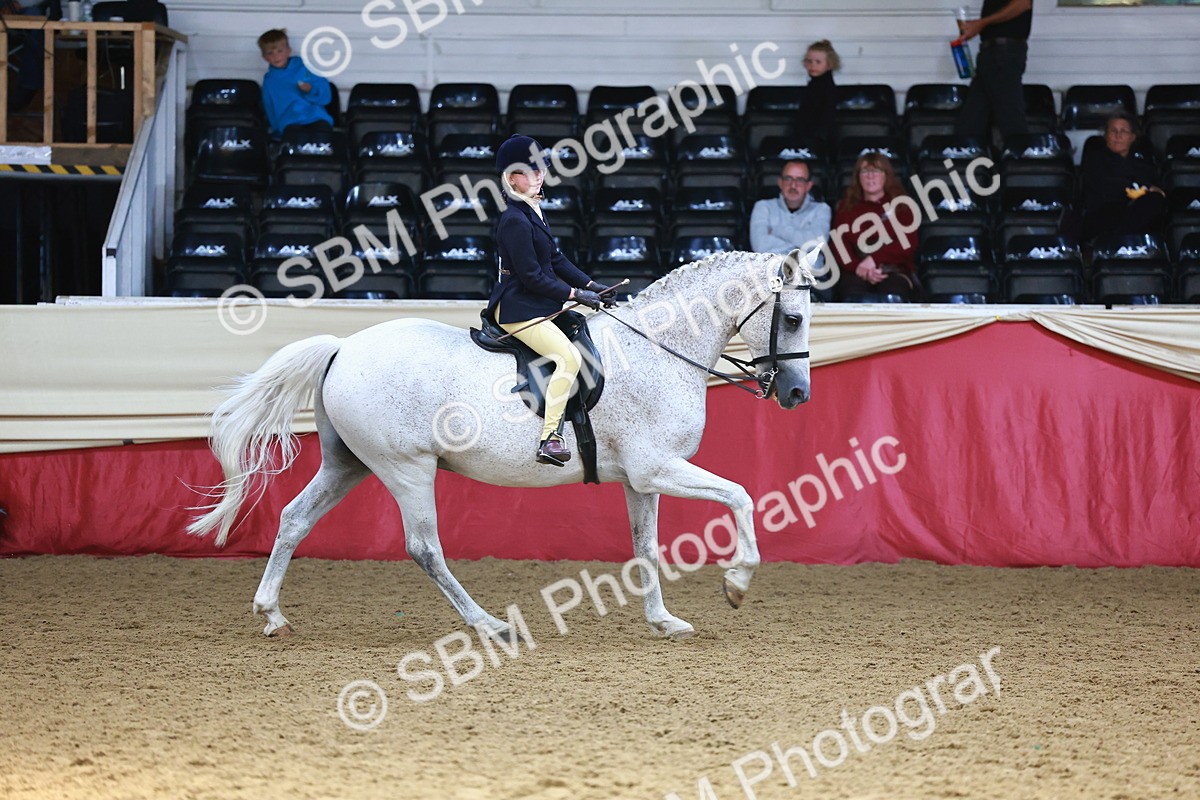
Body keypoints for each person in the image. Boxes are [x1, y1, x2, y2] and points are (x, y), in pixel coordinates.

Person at [486, 135, 616, 467]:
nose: (538, 176)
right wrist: (575, 295)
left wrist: (592, 285)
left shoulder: (532, 210)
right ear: (511, 178)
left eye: (540, 169)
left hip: (536, 302)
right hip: (517, 307)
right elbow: (532, 276)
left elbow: (555, 260)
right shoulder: (514, 219)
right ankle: (550, 438)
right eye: (529, 172)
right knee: (567, 358)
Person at [831, 153, 919, 301]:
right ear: (858, 177)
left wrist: (874, 260)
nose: (870, 176)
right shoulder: (846, 207)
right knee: (853, 293)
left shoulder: (902, 206)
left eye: (876, 171)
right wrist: (859, 268)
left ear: (886, 176)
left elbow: (909, 243)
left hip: (895, 271)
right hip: (856, 271)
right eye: (865, 171)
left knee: (892, 293)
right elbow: (839, 246)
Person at [750, 159, 832, 299]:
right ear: (780, 182)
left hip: (811, 279)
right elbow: (761, 246)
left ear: (809, 185)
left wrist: (777, 230)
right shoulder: (763, 207)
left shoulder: (822, 209)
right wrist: (803, 246)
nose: (793, 185)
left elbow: (818, 244)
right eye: (788, 178)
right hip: (771, 278)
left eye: (800, 180)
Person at [1079, 113, 1167, 243]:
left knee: (1155, 201)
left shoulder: (1143, 164)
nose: (1118, 135)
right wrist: (1145, 187)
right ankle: (1116, 242)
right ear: (1106, 136)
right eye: (1113, 131)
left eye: (1124, 131)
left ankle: (1120, 241)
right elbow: (1109, 188)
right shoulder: (1095, 159)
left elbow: (1157, 192)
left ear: (1132, 137)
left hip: (1137, 215)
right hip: (1104, 215)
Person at [953, 0, 1032, 141]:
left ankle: (1022, 153)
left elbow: (1023, 3)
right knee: (971, 120)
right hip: (991, 53)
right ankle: (960, 153)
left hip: (1003, 53)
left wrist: (982, 23)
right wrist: (977, 26)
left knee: (1011, 118)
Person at [257, 29, 333, 138]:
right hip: (289, 123)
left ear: (288, 51)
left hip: (315, 117)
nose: (276, 56)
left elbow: (325, 96)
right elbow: (270, 107)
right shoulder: (270, 81)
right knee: (294, 141)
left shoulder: (306, 68)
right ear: (264, 57)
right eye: (270, 53)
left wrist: (310, 90)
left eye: (280, 51)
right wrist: (276, 130)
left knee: (321, 138)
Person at [795, 39, 839, 149]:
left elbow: (827, 116)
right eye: (809, 61)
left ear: (829, 64)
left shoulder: (826, 87)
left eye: (818, 62)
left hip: (820, 138)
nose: (812, 66)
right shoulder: (814, 85)